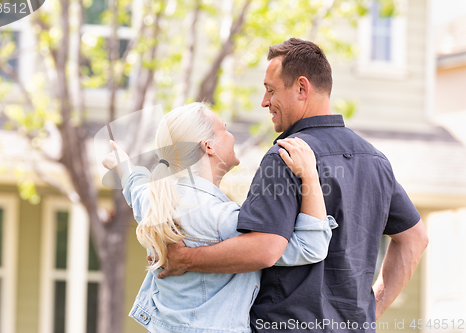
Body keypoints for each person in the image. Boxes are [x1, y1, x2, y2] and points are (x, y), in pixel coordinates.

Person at [157, 39, 429, 332]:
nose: (264, 101)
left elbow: (263, 250)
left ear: (302, 88)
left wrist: (186, 258)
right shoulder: (374, 160)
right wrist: (369, 313)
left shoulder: (285, 156)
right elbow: (415, 238)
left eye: (271, 90)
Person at [101, 102, 338, 333]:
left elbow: (136, 186)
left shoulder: (155, 203)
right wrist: (309, 174)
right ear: (209, 147)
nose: (231, 135)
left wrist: (123, 166)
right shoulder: (223, 220)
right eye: (224, 129)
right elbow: (310, 246)